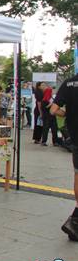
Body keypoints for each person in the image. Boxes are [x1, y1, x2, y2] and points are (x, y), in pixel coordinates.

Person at [51, 73, 78, 241]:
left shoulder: (68, 83)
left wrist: (67, 114)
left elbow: (54, 110)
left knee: (77, 174)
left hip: (76, 137)